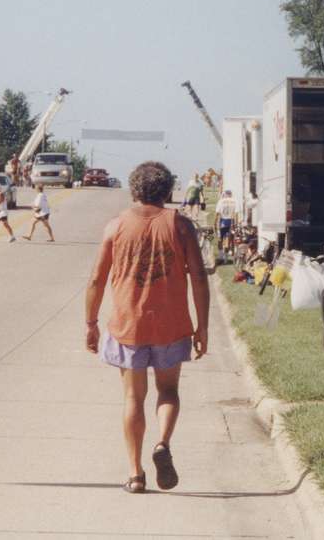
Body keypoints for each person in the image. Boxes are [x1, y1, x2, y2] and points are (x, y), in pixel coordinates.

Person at [84, 161, 209, 494]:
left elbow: (97, 278)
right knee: (168, 391)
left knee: (132, 398)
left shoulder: (116, 226)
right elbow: (198, 277)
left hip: (128, 325)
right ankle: (162, 443)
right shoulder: (181, 226)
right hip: (171, 323)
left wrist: (91, 323)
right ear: (168, 191)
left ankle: (135, 474)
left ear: (134, 190)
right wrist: (203, 327)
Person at [214, 190, 237, 255]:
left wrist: (214, 223)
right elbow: (236, 213)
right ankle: (227, 253)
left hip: (223, 221)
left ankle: (221, 255)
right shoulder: (234, 201)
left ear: (225, 195)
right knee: (228, 238)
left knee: (220, 239)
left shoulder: (221, 201)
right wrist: (236, 223)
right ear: (231, 195)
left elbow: (217, 213)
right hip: (231, 220)